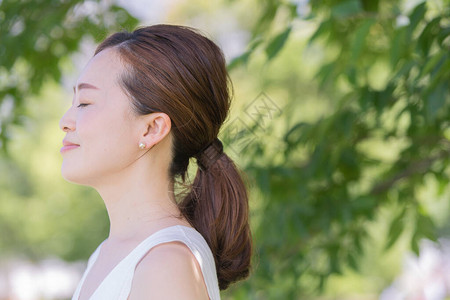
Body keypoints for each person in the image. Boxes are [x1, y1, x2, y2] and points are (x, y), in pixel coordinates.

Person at [59, 24, 252, 300]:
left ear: (151, 129)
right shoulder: (108, 254)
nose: (65, 122)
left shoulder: (166, 265)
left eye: (85, 103)